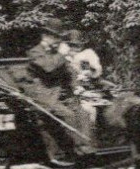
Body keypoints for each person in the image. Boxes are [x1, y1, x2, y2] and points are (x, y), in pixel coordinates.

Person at [20, 29, 91, 158]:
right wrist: (61, 55)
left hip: (58, 97)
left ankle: (86, 147)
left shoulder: (56, 54)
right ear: (45, 36)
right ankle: (75, 151)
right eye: (55, 37)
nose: (58, 41)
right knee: (68, 115)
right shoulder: (34, 52)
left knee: (83, 113)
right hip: (42, 98)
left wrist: (76, 87)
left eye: (59, 37)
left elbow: (69, 72)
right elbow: (48, 67)